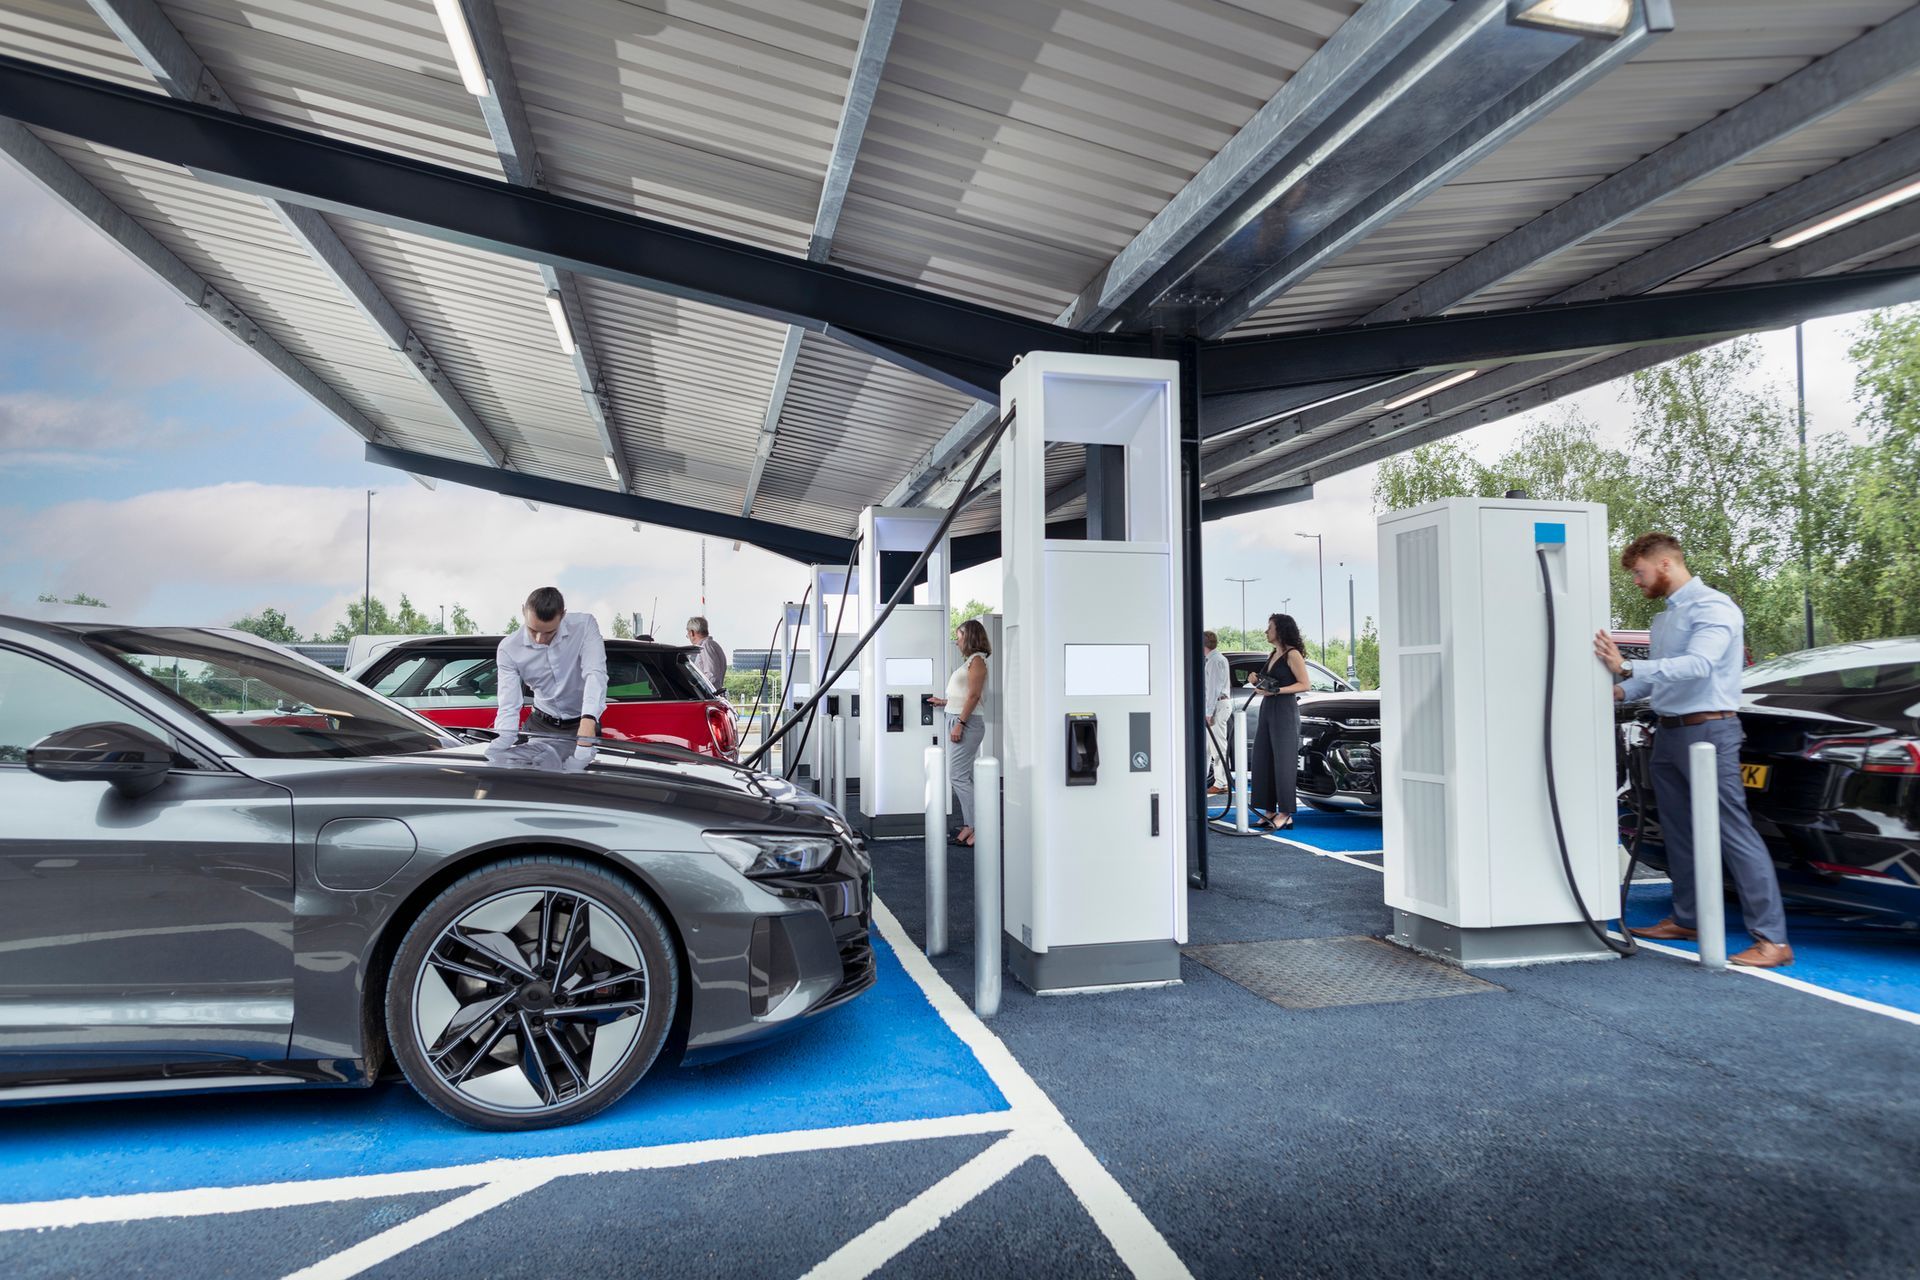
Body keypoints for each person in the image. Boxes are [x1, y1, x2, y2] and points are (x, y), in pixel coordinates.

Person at [1596, 533, 1792, 968]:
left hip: (1710, 732)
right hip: (1668, 733)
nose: (1636, 581)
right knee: (1678, 831)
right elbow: (1661, 679)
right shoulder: (1665, 620)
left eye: (1639, 572)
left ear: (1665, 564)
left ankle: (1773, 940)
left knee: (1733, 831)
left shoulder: (1714, 607)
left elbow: (1699, 665)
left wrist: (1626, 664)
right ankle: (1688, 919)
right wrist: (1619, 689)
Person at [486, 587, 607, 773]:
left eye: (550, 632)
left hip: (581, 724)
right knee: (536, 784)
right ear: (523, 611)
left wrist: (588, 722)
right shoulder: (508, 649)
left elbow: (595, 674)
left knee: (576, 783)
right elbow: (508, 706)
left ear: (562, 615)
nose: (539, 639)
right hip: (540, 726)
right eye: (532, 630)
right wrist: (497, 751)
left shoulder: (584, 626)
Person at [929, 618, 990, 847]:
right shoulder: (971, 662)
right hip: (958, 718)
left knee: (957, 776)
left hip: (967, 723)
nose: (957, 641)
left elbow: (974, 697)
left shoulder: (978, 661)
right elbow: (964, 696)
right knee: (964, 776)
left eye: (960, 636)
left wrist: (960, 723)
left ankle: (978, 827)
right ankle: (970, 824)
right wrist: (943, 702)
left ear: (970, 637)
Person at [1248, 613, 1311, 832]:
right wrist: (1256, 680)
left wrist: (1276, 691)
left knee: (1284, 762)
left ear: (1281, 630)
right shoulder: (1273, 654)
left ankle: (1285, 813)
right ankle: (1269, 811)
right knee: (1263, 758)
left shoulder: (1292, 654)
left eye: (1270, 627)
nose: (1266, 631)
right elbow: (1269, 684)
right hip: (1268, 709)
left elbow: (1304, 684)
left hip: (1284, 710)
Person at [1202, 631, 1232, 796]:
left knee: (1218, 746)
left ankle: (1222, 782)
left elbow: (1213, 689)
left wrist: (1208, 712)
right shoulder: (1215, 659)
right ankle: (1206, 780)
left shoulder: (1214, 661)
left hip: (1217, 706)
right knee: (1208, 747)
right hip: (1217, 705)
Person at [686, 616, 727, 693]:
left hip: (707, 693)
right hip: (711, 692)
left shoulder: (706, 646)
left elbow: (712, 675)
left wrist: (695, 688)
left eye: (688, 634)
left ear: (692, 633)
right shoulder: (713, 645)